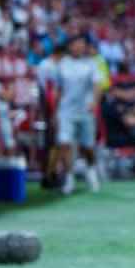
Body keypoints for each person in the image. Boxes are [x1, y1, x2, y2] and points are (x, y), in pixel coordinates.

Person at [52, 33, 106, 195]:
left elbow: (98, 86)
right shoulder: (62, 65)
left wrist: (94, 102)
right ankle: (69, 178)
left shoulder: (91, 64)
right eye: (76, 44)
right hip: (66, 111)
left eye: (82, 44)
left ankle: (91, 171)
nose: (79, 47)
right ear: (70, 46)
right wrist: (55, 110)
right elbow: (57, 89)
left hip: (85, 110)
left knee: (87, 147)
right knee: (65, 143)